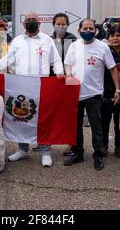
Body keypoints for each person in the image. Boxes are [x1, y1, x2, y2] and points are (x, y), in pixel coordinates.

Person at [0, 12, 64, 167]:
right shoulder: (17, 41)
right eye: (28, 20)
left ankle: (45, 152)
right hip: (20, 86)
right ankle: (23, 150)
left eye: (34, 20)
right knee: (21, 119)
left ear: (39, 23)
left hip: (41, 87)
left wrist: (59, 72)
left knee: (43, 119)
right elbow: (7, 61)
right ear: (23, 24)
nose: (31, 22)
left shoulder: (47, 40)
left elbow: (55, 60)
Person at [63, 18, 120, 170]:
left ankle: (99, 155)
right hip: (75, 92)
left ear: (95, 30)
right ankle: (78, 152)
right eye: (85, 28)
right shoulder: (73, 46)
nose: (88, 31)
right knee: (76, 126)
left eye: (91, 28)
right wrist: (68, 75)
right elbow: (67, 64)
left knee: (97, 126)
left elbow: (113, 69)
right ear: (79, 30)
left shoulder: (102, 47)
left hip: (94, 94)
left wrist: (118, 89)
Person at [46, 12, 77, 155]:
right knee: (50, 113)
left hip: (69, 82)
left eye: (63, 24)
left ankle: (71, 143)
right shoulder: (47, 40)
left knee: (69, 114)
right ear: (53, 25)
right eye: (58, 24)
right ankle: (45, 141)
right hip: (52, 82)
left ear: (68, 25)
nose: (60, 26)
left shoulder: (73, 40)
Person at [101, 26, 120, 158]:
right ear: (108, 37)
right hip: (106, 91)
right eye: (112, 36)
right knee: (104, 121)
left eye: (118, 35)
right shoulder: (104, 50)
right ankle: (104, 145)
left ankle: (119, 146)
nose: (115, 38)